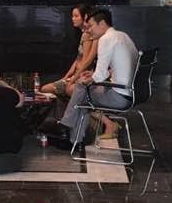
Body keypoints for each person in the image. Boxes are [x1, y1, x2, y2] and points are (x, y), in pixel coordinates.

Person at [57, 9, 138, 147]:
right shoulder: (123, 36)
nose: (88, 30)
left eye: (90, 26)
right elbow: (122, 67)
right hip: (131, 93)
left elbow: (99, 75)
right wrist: (93, 75)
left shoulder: (106, 39)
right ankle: (73, 137)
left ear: (102, 24)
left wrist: (87, 79)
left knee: (80, 88)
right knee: (82, 92)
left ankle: (67, 127)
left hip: (118, 97)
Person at [40, 4, 96, 98]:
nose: (73, 19)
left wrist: (73, 79)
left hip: (81, 75)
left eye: (76, 16)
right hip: (76, 74)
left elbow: (86, 61)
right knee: (46, 88)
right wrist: (65, 78)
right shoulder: (83, 34)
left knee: (45, 88)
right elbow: (77, 59)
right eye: (72, 16)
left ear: (85, 17)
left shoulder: (87, 35)